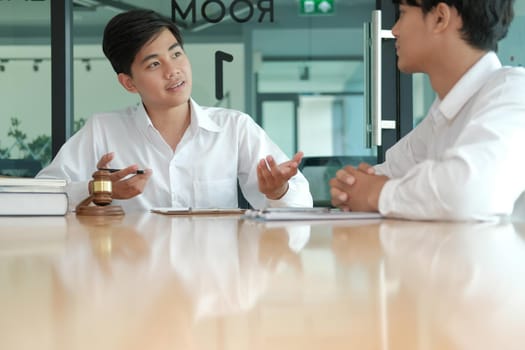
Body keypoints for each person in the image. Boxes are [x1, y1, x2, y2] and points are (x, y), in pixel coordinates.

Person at [37, 9, 313, 211]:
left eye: (176, 54)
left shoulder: (234, 127)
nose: (173, 71)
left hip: (214, 281)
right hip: (134, 283)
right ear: (129, 82)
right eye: (154, 64)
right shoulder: (104, 130)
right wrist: (101, 188)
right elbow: (41, 196)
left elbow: (300, 204)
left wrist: (278, 192)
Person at [330, 0, 525, 221]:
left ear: (440, 18)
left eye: (402, 14)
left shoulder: (515, 91)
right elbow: (391, 170)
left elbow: (467, 193)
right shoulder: (444, 111)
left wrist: (376, 193)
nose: (394, 30)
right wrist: (352, 185)